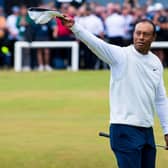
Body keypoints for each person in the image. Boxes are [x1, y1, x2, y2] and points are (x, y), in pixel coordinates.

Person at [29, 10, 168, 168]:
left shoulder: (155, 62)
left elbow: (160, 98)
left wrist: (167, 130)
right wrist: (74, 27)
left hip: (147, 130)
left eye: (146, 34)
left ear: (154, 38)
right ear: (133, 34)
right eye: (138, 33)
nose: (141, 37)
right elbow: (96, 43)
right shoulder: (121, 56)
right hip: (124, 129)